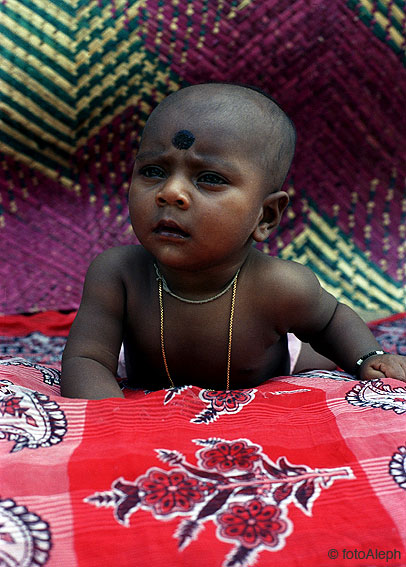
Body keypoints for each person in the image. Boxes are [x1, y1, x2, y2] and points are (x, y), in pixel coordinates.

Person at [60, 83, 406, 399]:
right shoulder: (118, 275)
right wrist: (110, 423)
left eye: (209, 179)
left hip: (282, 355)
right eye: (153, 171)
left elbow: (331, 321)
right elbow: (85, 358)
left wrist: (369, 358)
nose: (171, 192)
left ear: (266, 216)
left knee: (315, 352)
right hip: (145, 372)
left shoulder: (281, 285)